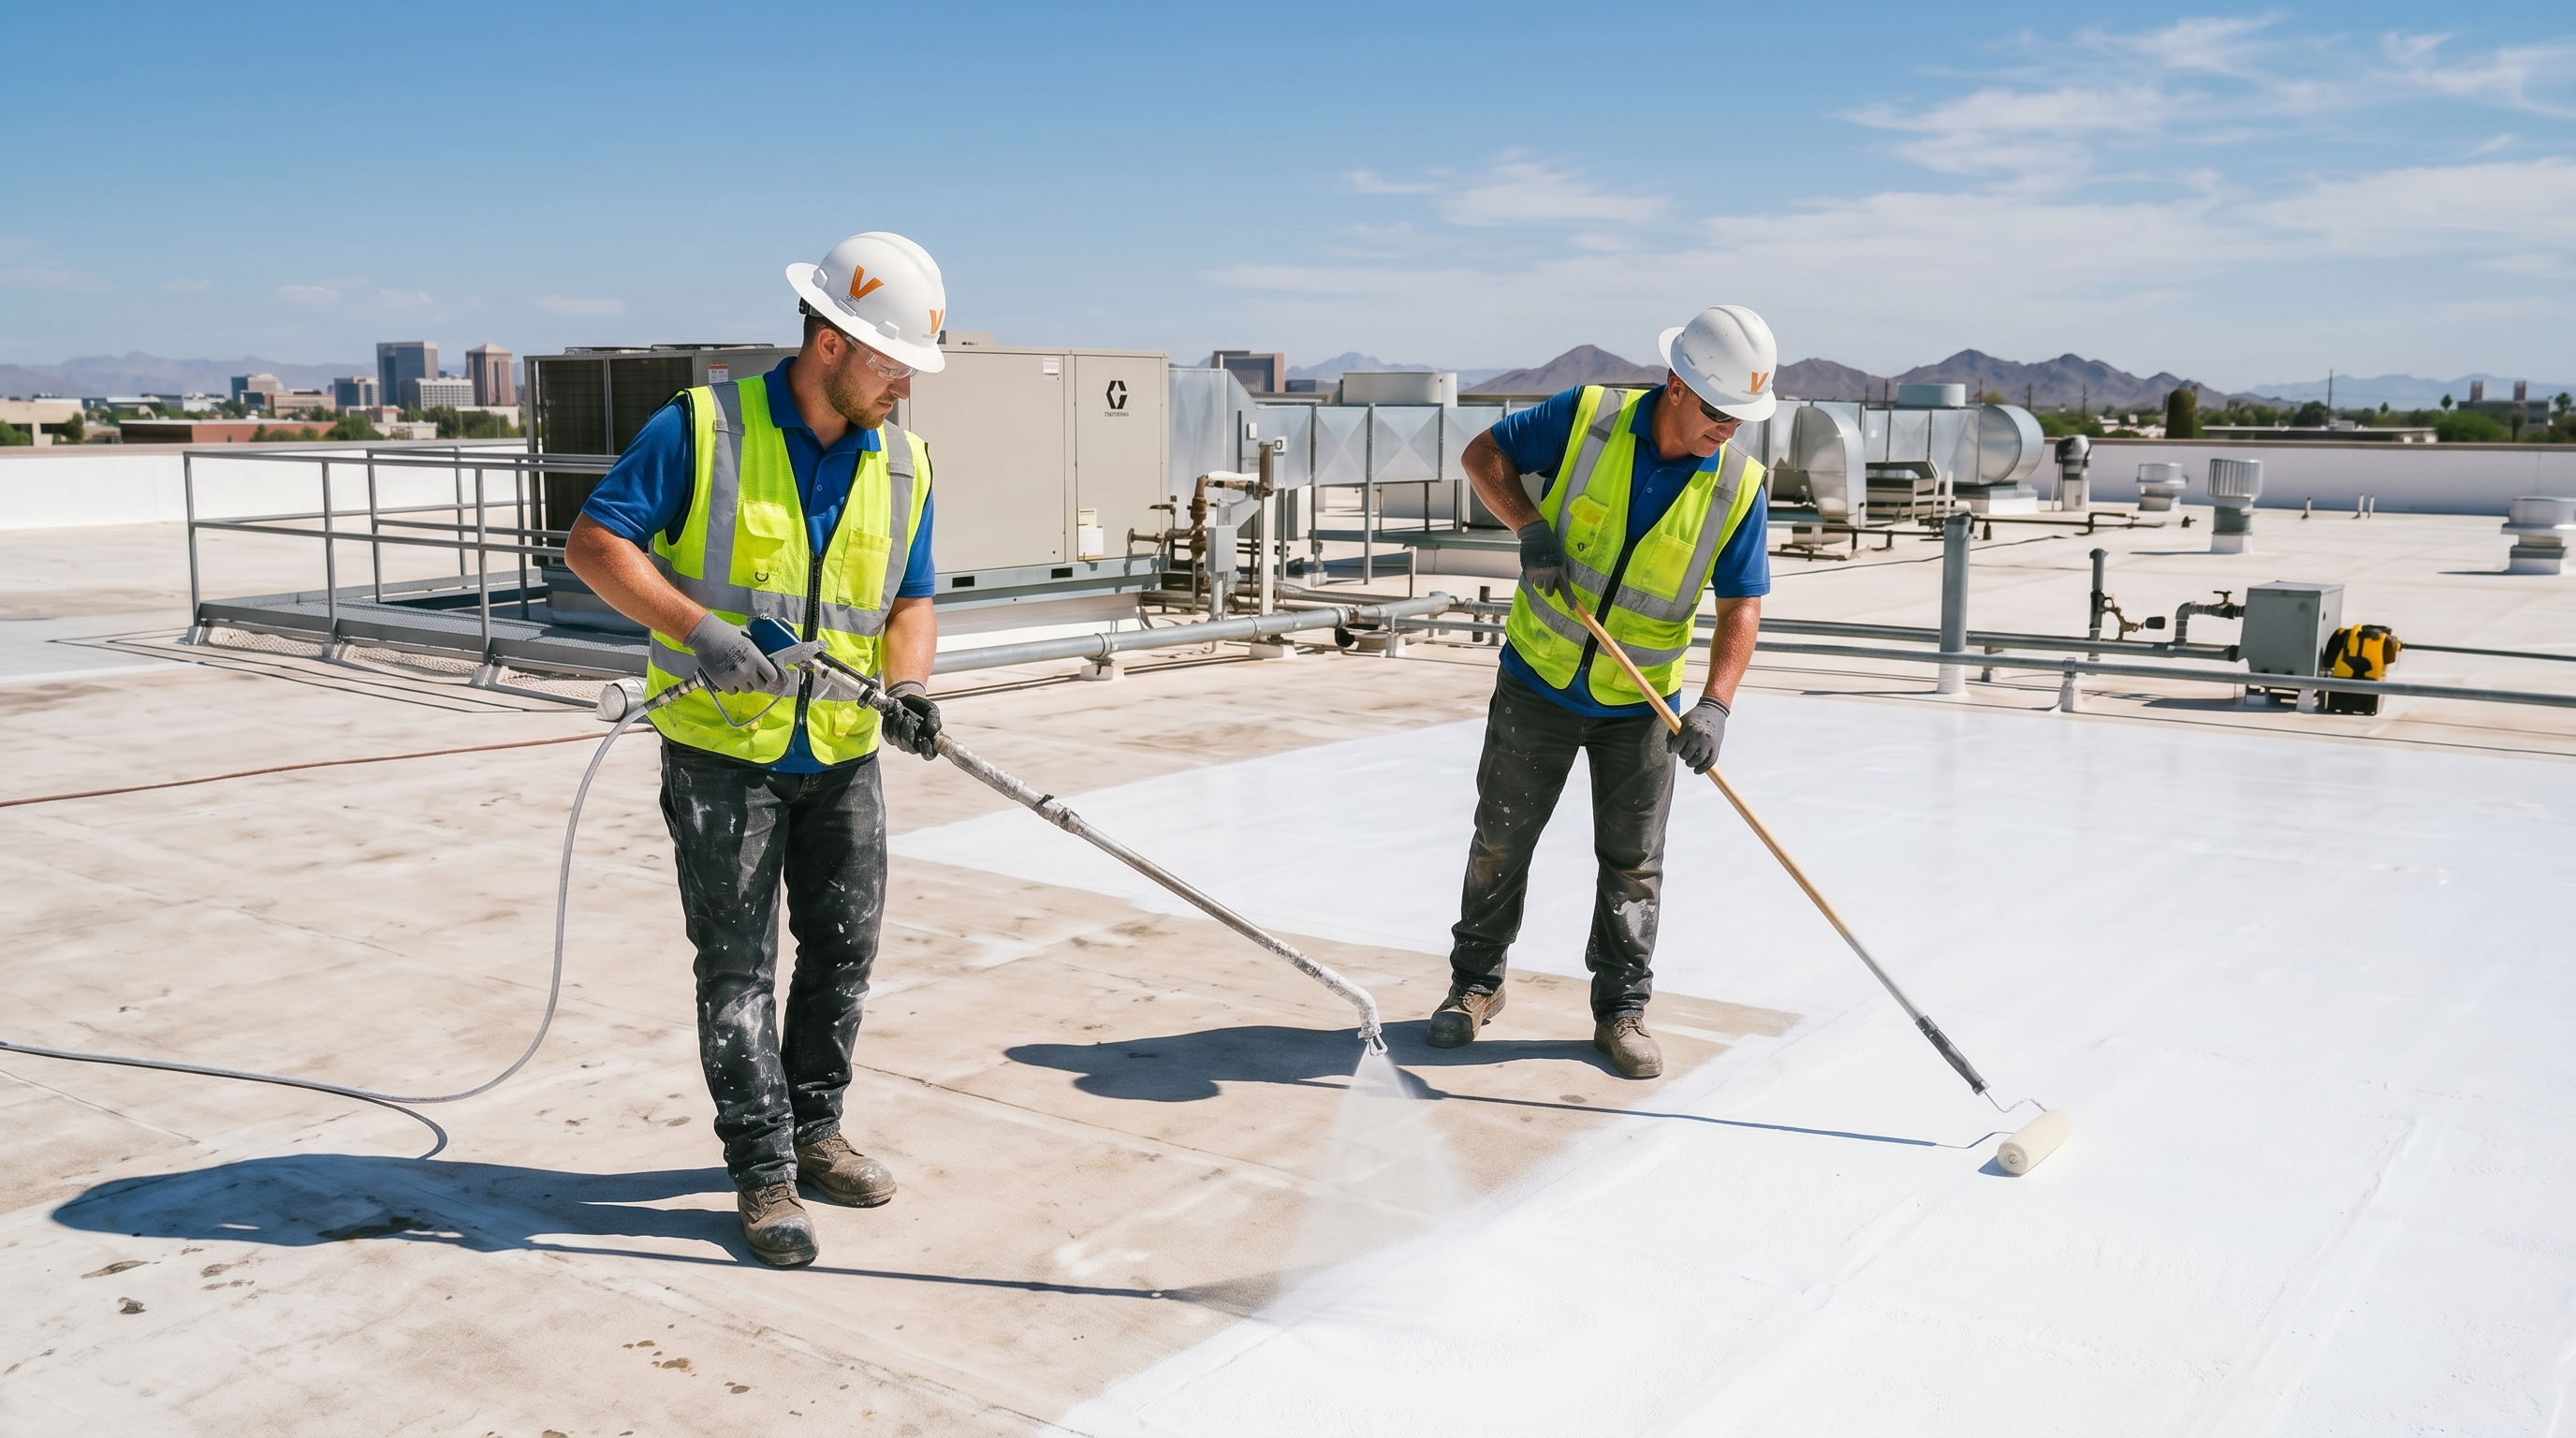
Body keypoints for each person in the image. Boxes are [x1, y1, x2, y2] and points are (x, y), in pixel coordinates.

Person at [564, 231, 948, 1267]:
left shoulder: (902, 461)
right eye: (888, 362)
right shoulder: (704, 426)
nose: (903, 388)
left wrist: (908, 686)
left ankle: (816, 1131)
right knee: (737, 969)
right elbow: (595, 544)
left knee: (841, 955)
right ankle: (762, 1170)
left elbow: (910, 598)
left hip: (841, 748)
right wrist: (700, 631)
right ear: (826, 341)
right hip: (721, 754)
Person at [1431, 305, 1778, 1078]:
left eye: (1744, 416)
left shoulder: (1739, 484)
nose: (1730, 428)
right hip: (1538, 681)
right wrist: (1527, 526)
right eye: (1720, 410)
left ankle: (1622, 1010)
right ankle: (1474, 986)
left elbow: (1741, 603)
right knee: (1501, 837)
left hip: (1641, 704)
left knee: (1634, 863)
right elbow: (1482, 455)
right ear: (1677, 385)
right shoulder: (1587, 418)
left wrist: (1715, 703)